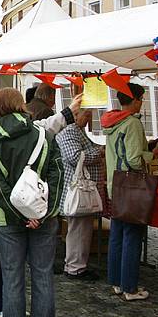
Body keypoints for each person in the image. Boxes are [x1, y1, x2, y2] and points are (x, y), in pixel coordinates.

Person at [0, 87, 64, 317]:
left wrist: (20, 215)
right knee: (43, 279)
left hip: (8, 220)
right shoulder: (43, 134)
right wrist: (43, 212)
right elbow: (57, 174)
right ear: (21, 106)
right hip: (44, 219)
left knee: (12, 281)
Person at [103, 83, 158, 301]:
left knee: (117, 235)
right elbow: (135, 160)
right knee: (132, 236)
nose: (142, 103)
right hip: (131, 186)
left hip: (115, 183)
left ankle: (117, 282)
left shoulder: (112, 121)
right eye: (142, 99)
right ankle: (130, 287)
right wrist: (152, 155)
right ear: (135, 99)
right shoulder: (132, 123)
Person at [56, 108, 105, 281]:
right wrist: (99, 152)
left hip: (82, 189)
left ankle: (76, 265)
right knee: (78, 230)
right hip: (78, 189)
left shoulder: (77, 131)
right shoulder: (69, 132)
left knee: (80, 229)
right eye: (86, 114)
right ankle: (75, 268)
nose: (89, 118)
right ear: (75, 115)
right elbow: (75, 157)